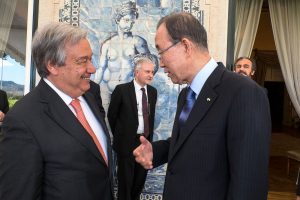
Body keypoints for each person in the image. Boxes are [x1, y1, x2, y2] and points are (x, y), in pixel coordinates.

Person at [133, 12, 271, 200]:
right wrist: (156, 152)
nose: (160, 63)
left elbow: (249, 183)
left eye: (161, 52)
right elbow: (192, 141)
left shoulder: (244, 92)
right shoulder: (186, 95)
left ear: (185, 46)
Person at [0, 22, 113, 200]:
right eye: (82, 61)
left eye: (90, 59)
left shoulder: (90, 94)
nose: (92, 68)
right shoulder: (22, 120)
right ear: (52, 65)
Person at [108, 54, 157, 200]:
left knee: (139, 181)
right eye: (147, 71)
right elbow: (112, 116)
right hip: (126, 144)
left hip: (144, 142)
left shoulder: (153, 92)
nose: (151, 75)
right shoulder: (122, 90)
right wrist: (121, 136)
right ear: (137, 72)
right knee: (125, 183)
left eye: (152, 72)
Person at [94, 1, 157, 94]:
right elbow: (101, 69)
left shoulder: (137, 41)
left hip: (131, 93)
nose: (129, 25)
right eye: (126, 20)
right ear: (118, 20)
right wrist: (91, 90)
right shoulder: (107, 44)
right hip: (110, 92)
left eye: (132, 22)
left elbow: (152, 64)